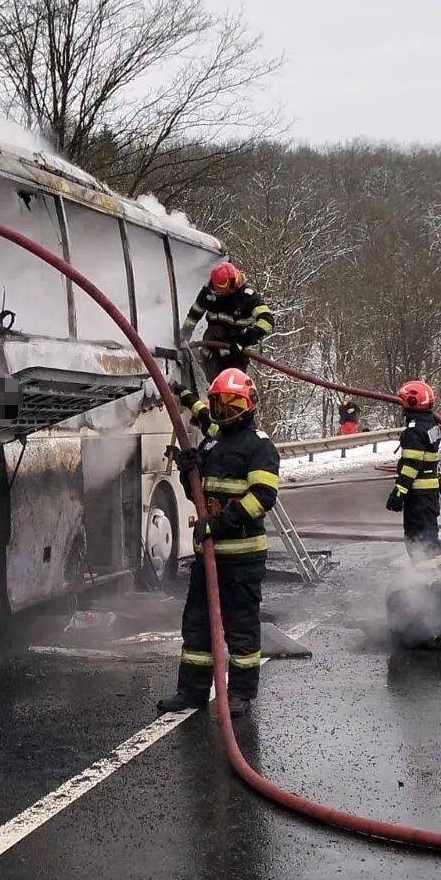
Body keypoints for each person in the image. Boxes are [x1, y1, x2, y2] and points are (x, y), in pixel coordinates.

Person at [157, 368, 280, 719]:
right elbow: (199, 495)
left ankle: (240, 694)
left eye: (231, 405)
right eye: (219, 406)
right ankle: (191, 691)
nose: (223, 413)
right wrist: (187, 471)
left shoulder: (259, 446)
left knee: (241, 629)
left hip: (241, 558)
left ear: (248, 405)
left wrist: (220, 524)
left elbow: (262, 497)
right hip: (207, 555)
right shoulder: (212, 440)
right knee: (197, 627)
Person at [386, 380, 441, 574]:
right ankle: (440, 574)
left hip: (418, 495)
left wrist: (399, 492)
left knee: (416, 537)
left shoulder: (414, 431)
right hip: (430, 493)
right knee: (430, 535)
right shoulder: (431, 424)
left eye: (404, 402)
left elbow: (411, 465)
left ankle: (427, 581)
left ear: (412, 402)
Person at [180, 262, 274, 377]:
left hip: (234, 359)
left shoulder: (248, 298)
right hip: (208, 355)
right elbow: (194, 315)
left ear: (232, 286)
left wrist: (243, 341)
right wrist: (183, 336)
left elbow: (267, 321)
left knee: (228, 392)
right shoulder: (209, 292)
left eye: (220, 291)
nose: (217, 293)